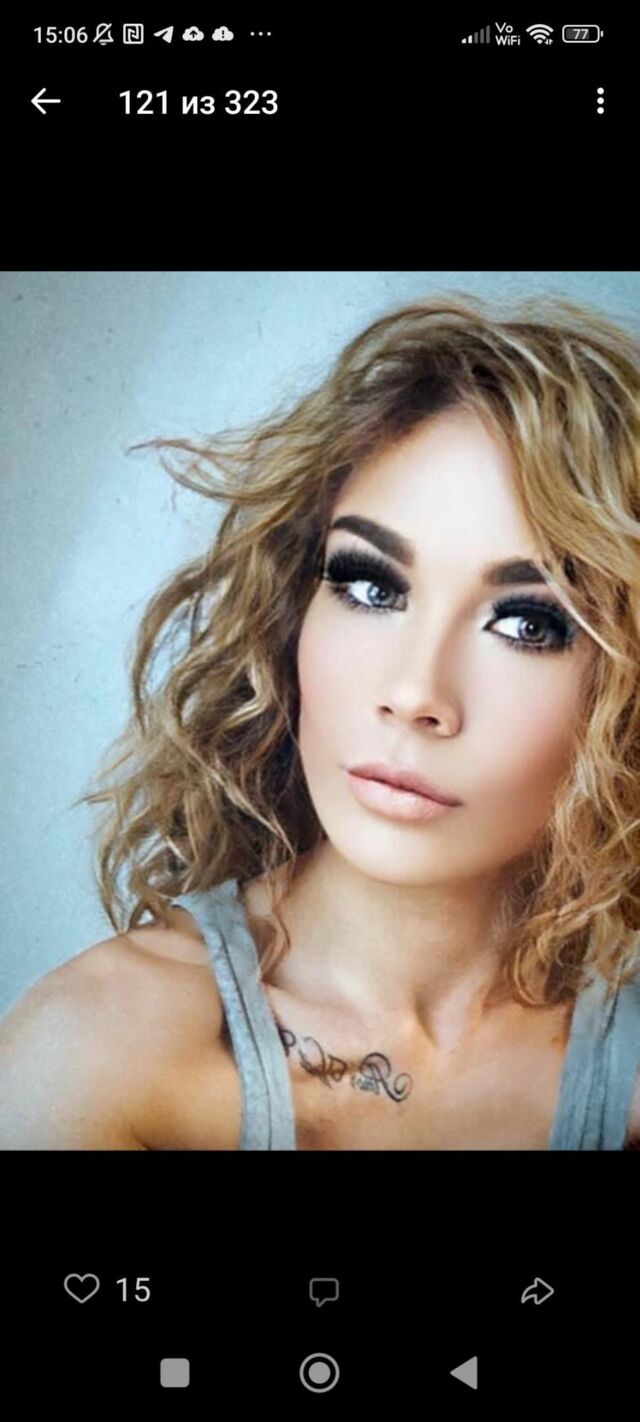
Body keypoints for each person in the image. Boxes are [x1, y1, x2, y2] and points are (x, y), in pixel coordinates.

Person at [2, 292, 640, 1151]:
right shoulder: (97, 1050)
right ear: (291, 609)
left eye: (528, 623)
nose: (414, 692)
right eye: (371, 586)